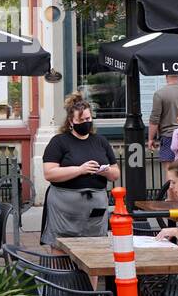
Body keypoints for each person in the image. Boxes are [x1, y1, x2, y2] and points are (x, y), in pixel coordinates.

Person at [40, 93, 121, 248]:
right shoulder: (59, 142)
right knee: (61, 247)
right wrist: (80, 170)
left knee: (95, 247)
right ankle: (64, 273)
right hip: (64, 208)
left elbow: (116, 173)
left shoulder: (100, 141)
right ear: (71, 121)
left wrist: (104, 171)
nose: (86, 122)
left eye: (88, 119)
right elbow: (49, 173)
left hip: (95, 207)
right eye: (81, 120)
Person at [148, 75, 178, 164]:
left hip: (168, 136)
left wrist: (151, 138)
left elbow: (155, 118)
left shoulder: (159, 94)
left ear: (166, 76)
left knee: (170, 170)